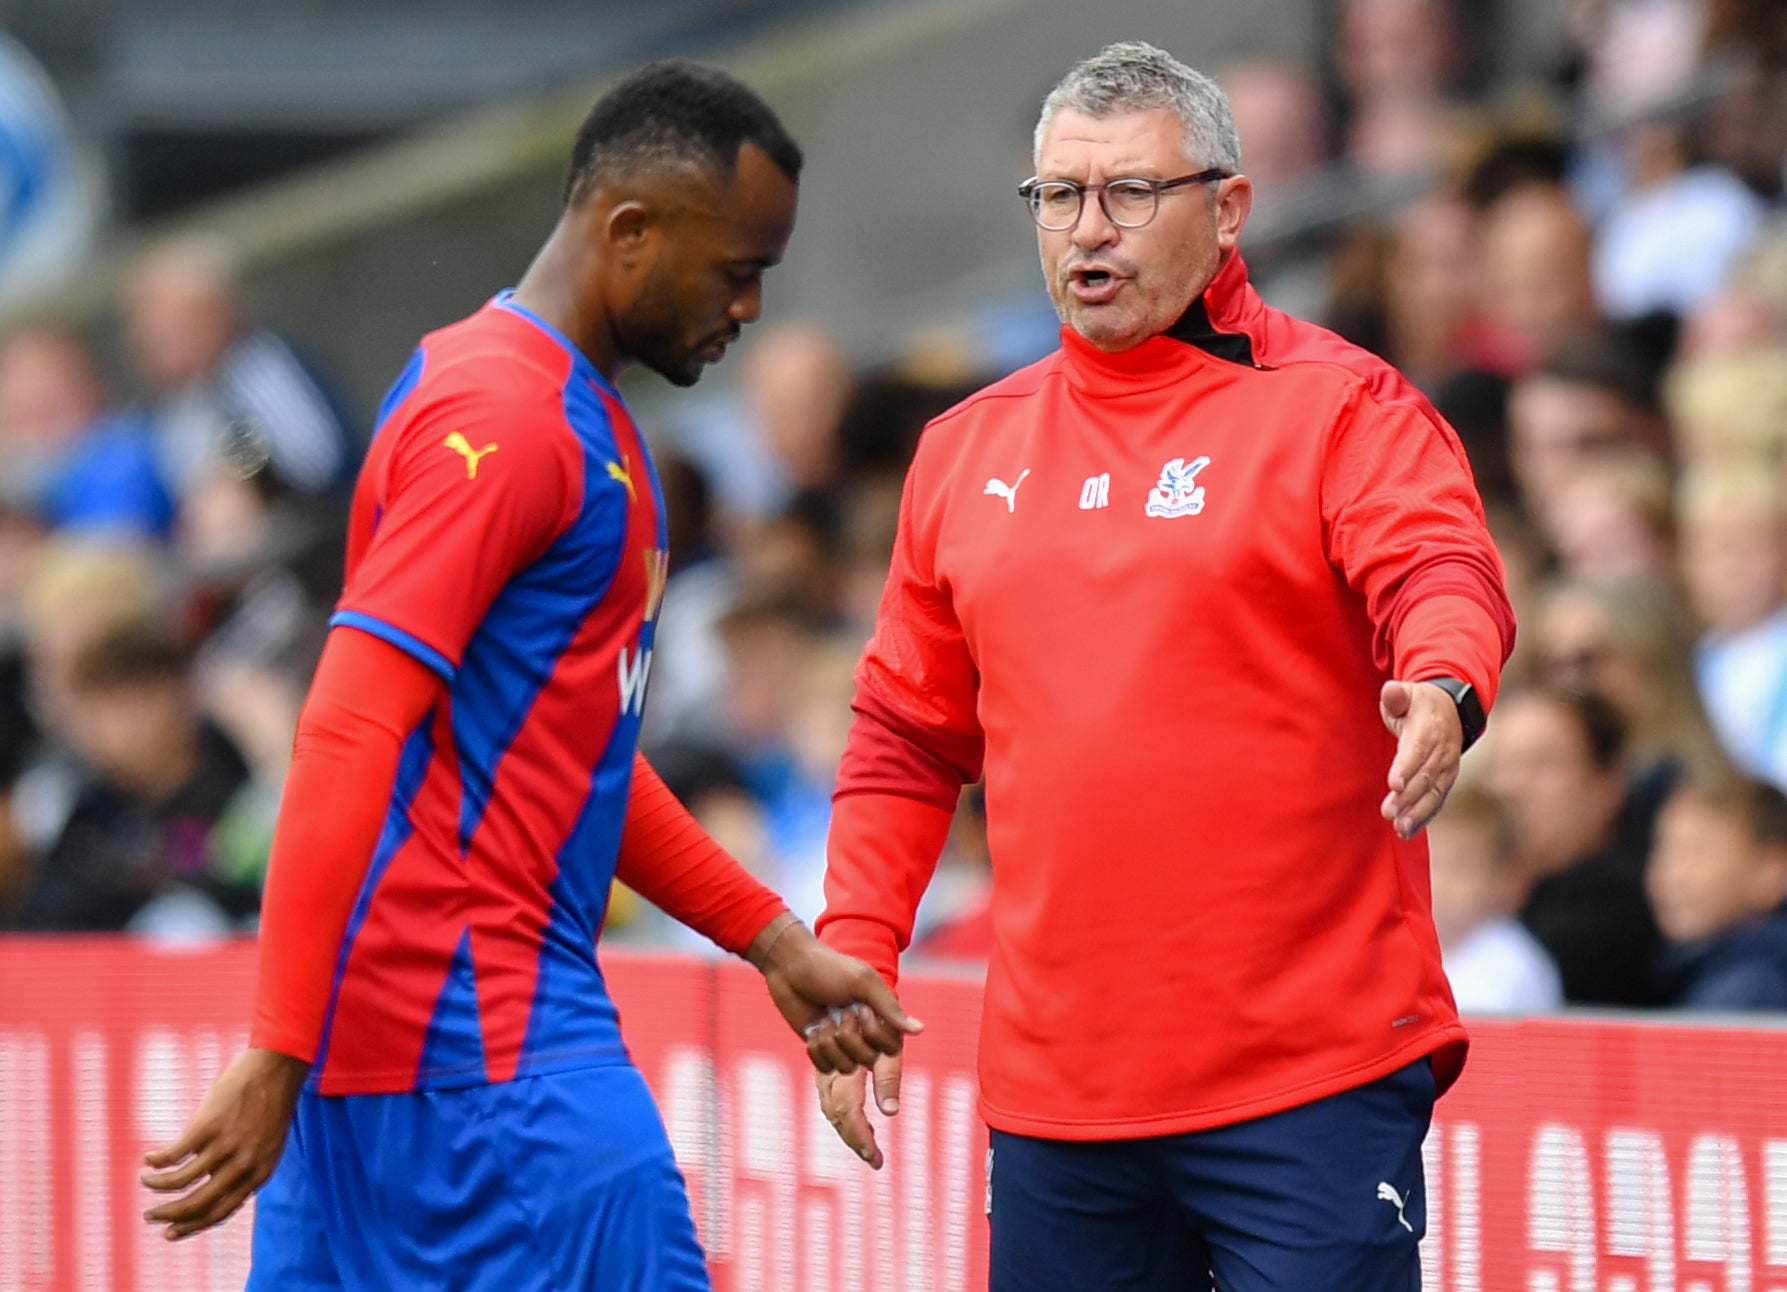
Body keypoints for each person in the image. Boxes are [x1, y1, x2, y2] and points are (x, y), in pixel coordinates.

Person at [138, 60, 920, 1289]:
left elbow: (569, 758)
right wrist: (274, 1046)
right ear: (628, 231)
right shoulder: (509, 427)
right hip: (487, 1068)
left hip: (399, 1063)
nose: (752, 305)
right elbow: (347, 726)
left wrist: (768, 937)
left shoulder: (519, 397)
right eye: (737, 268)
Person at [806, 42, 1514, 1291]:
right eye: (1058, 196)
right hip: (1058, 1105)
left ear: (1227, 208)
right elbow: (905, 734)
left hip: (1308, 1080)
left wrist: (1444, 685)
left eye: (1129, 193)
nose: (1088, 228)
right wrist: (856, 948)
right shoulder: (962, 450)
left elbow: (1437, 570)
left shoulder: (1340, 407)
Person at [1647, 770, 1787, 1009]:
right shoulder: (1703, 972)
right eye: (1665, 849)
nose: (1673, 876)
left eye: (1700, 850)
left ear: (1772, 872)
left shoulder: (1751, 991)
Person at [1425, 784, 1563, 1013]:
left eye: (1462, 868)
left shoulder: (1515, 967)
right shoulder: (1403, 953)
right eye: (1431, 863)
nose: (1441, 884)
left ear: (1509, 881)